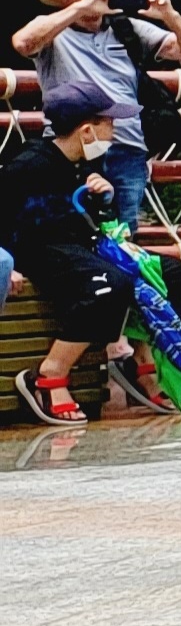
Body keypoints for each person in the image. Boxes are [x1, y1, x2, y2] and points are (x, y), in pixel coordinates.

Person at [16, 0, 181, 233]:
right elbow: (22, 42)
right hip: (70, 150)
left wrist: (170, 15)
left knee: (123, 236)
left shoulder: (126, 27)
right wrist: (81, 8)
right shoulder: (52, 29)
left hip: (126, 146)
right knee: (68, 231)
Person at [4, 79, 131, 425]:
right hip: (37, 249)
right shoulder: (28, 164)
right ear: (87, 131)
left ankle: (139, 368)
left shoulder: (85, 166)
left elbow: (96, 220)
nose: (113, 132)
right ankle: (50, 374)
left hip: (74, 246)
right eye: (109, 125)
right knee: (107, 283)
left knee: (156, 271)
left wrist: (105, 199)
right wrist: (7, 260)